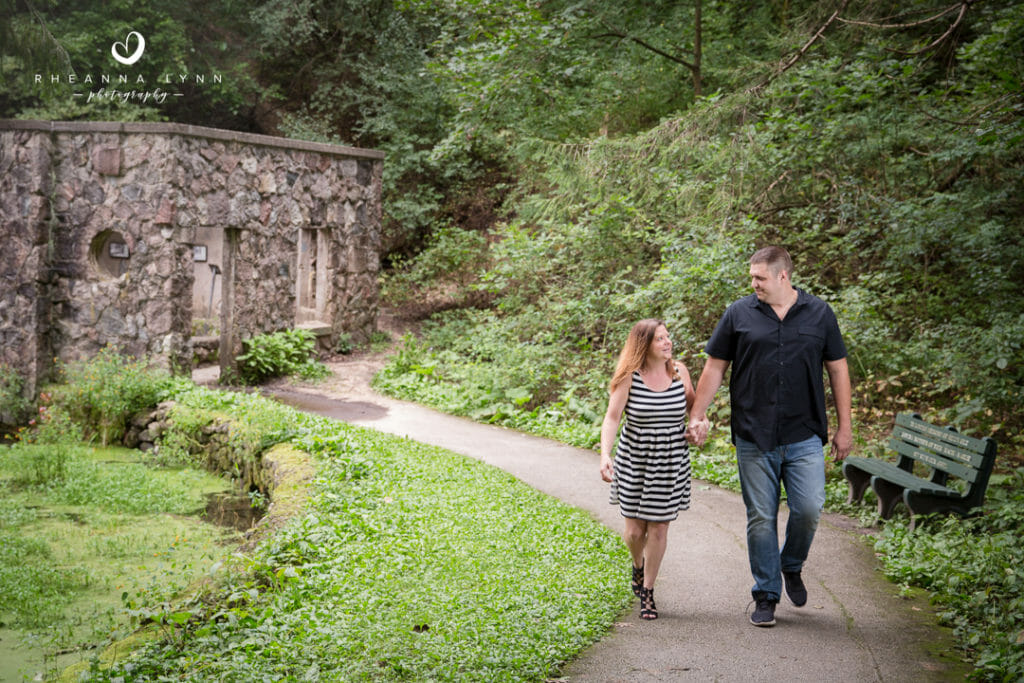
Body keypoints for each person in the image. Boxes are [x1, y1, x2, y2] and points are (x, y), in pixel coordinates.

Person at [687, 246, 852, 627]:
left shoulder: (820, 313)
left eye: (759, 277)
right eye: (752, 277)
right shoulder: (738, 313)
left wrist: (845, 427)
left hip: (804, 432)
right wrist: (697, 414)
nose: (753, 284)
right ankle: (765, 593)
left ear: (783, 276)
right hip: (753, 432)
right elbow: (715, 367)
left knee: (808, 508)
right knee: (761, 516)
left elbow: (838, 370)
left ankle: (790, 564)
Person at [600, 319, 695, 620]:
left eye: (668, 337)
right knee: (634, 531)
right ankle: (637, 565)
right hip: (634, 460)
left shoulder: (679, 372)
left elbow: (695, 411)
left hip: (669, 461)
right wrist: (605, 454)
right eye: (660, 339)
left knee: (659, 527)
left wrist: (697, 427)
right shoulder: (630, 377)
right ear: (644, 344)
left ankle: (648, 592)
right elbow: (612, 418)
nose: (668, 343)